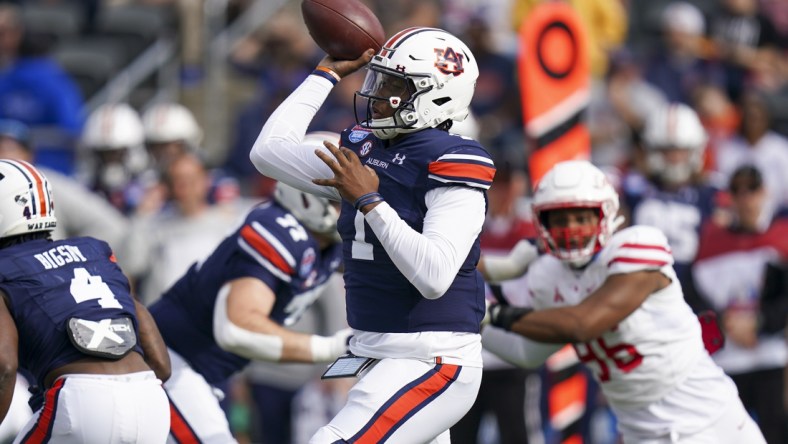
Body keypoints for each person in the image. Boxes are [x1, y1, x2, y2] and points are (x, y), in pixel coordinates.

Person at [251, 27, 495, 443]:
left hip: (431, 357)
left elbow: (434, 276)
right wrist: (324, 74)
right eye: (377, 81)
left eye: (394, 86)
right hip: (376, 352)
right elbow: (268, 152)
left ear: (436, 96)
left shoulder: (452, 159)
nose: (376, 95)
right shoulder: (364, 147)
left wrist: (370, 201)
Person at [482, 160, 767, 443]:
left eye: (582, 218)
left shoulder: (638, 246)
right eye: (559, 220)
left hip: (708, 420)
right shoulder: (550, 276)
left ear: (605, 215)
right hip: (638, 431)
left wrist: (492, 314)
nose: (571, 229)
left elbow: (583, 324)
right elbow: (526, 352)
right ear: (542, 223)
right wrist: (471, 317)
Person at [147, 179, 350, 443]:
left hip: (204, 372)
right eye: (341, 200)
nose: (352, 209)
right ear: (307, 195)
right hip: (168, 361)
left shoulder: (329, 243)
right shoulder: (279, 231)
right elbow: (237, 329)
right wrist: (333, 348)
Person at [0, 159, 171, 443]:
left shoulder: (5, 268)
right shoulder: (96, 252)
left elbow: (4, 366)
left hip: (81, 401)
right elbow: (161, 365)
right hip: (151, 401)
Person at [693, 165, 788, 443]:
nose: (746, 198)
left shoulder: (781, 237)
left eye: (752, 190)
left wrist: (759, 324)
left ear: (764, 192)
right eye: (738, 190)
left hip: (771, 356)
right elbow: (696, 299)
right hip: (727, 362)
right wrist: (725, 323)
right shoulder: (710, 240)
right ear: (730, 196)